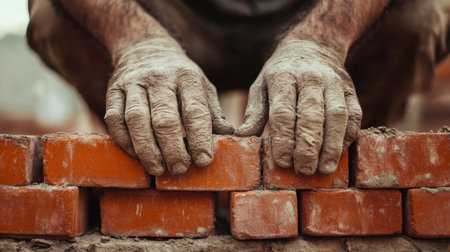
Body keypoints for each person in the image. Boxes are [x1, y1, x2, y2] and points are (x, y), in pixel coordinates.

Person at [27, 0, 450, 176]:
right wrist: (139, 44)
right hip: (169, 14)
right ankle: (154, 168)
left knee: (420, 15)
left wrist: (320, 41)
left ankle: (332, 169)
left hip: (319, 11)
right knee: (50, 15)